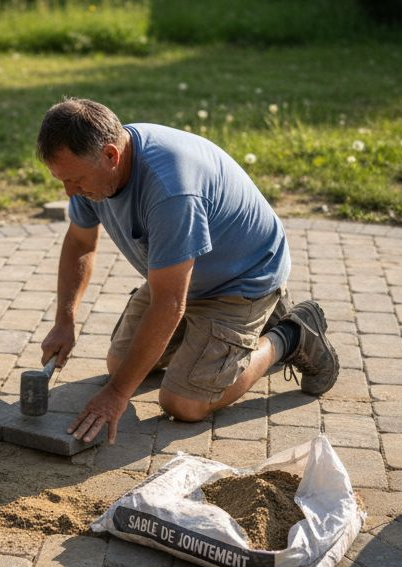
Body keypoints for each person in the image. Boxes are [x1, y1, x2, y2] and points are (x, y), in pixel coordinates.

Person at [36, 98, 338, 445]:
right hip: (180, 273)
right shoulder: (95, 168)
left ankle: (291, 334)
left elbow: (168, 304)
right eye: (62, 180)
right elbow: (80, 243)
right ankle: (219, 344)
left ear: (110, 155)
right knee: (120, 366)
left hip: (242, 278)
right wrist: (64, 321)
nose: (69, 192)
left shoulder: (170, 189)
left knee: (184, 403)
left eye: (74, 179)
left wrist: (116, 396)